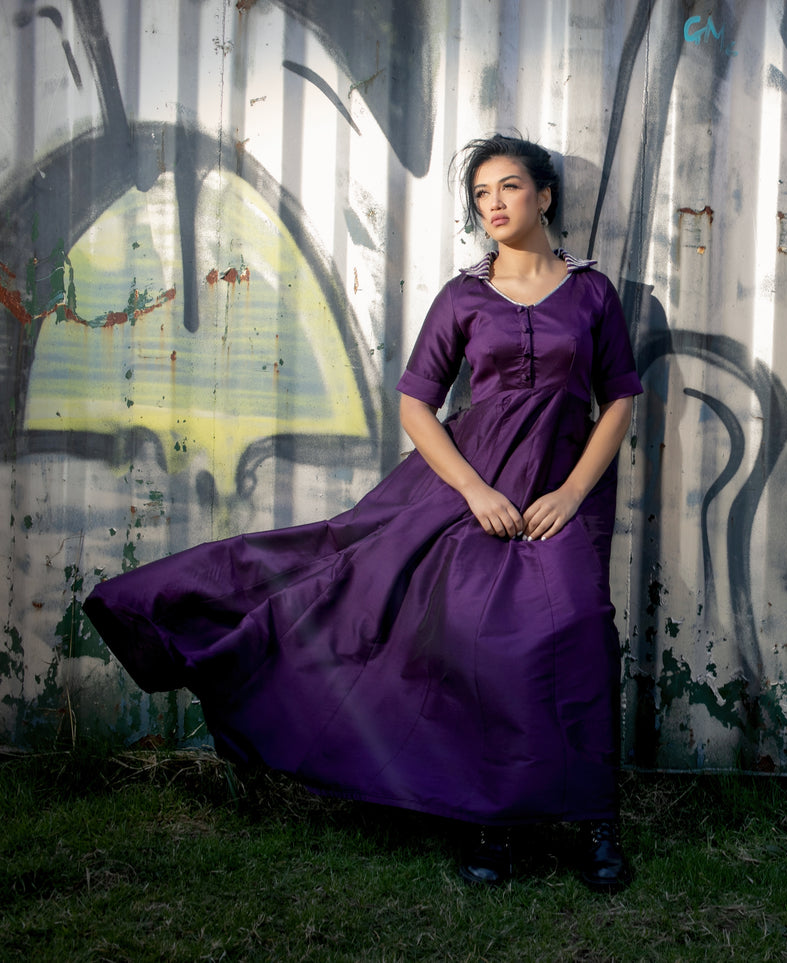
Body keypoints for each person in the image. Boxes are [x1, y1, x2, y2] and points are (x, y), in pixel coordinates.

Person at [82, 133, 643, 893]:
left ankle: (597, 825)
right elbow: (416, 401)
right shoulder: (462, 296)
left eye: (509, 187)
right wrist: (473, 491)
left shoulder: (591, 293)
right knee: (482, 644)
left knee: (578, 632)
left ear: (544, 196)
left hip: (562, 491)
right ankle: (492, 823)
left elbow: (619, 398)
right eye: (481, 195)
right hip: (472, 488)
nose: (495, 205)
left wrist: (572, 492)